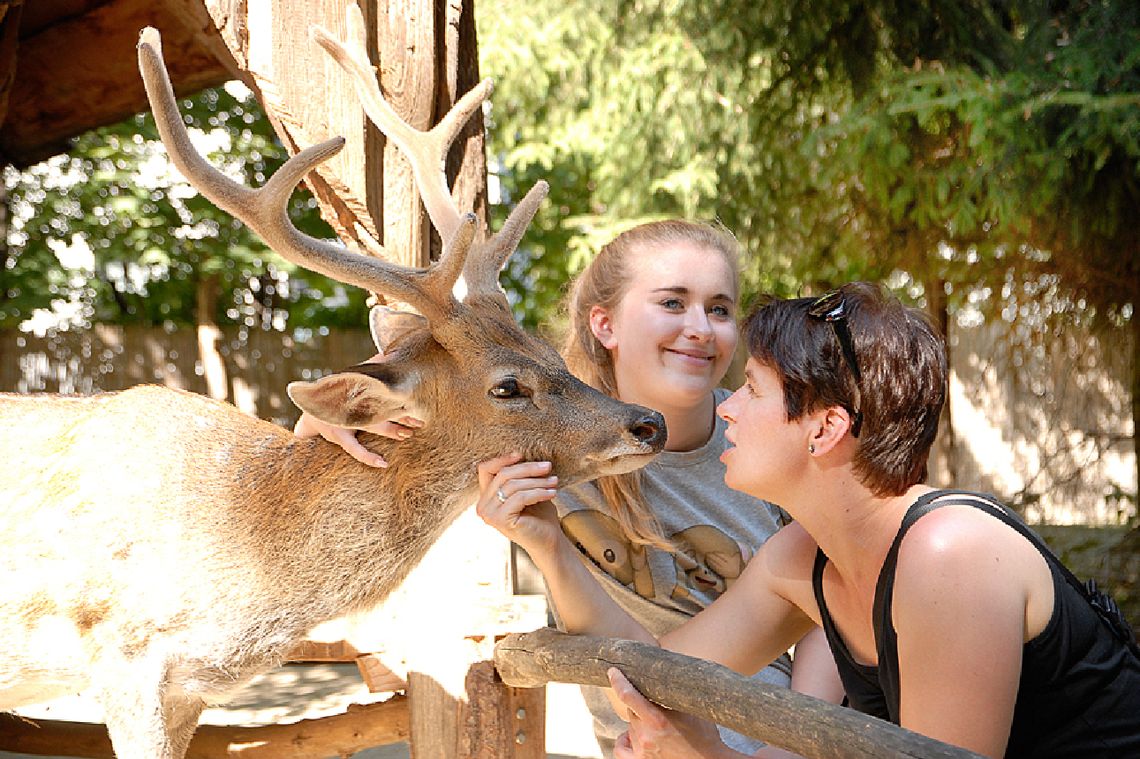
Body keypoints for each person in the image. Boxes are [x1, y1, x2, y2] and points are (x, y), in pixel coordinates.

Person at [476, 281, 1140, 759]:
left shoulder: (949, 557)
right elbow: (656, 669)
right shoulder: (804, 557)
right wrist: (549, 544)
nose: (729, 407)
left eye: (754, 389)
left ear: (824, 428)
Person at [297, 219, 841, 757]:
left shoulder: (773, 438)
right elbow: (434, 403)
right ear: (604, 324)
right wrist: (322, 420)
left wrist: (794, 749)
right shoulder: (535, 434)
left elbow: (835, 604)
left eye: (719, 308)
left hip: (777, 739)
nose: (700, 327)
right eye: (672, 303)